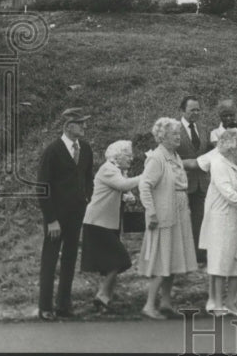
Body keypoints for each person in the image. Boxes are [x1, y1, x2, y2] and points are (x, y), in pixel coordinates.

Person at [36, 107, 94, 321]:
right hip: (56, 217)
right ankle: (45, 307)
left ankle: (64, 305)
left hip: (76, 214)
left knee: (70, 258)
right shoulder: (53, 150)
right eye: (81, 123)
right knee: (50, 259)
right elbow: (42, 187)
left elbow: (88, 178)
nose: (85, 126)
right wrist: (51, 219)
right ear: (69, 126)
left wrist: (86, 197)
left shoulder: (86, 149)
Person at [138, 117, 197, 320]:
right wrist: (151, 212)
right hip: (163, 214)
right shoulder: (157, 158)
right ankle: (148, 305)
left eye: (179, 134)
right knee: (162, 259)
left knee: (171, 258)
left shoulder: (174, 155)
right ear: (162, 137)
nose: (178, 137)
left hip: (178, 211)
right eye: (174, 134)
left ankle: (165, 303)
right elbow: (144, 186)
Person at [198, 128, 237, 316]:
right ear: (230, 147)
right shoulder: (218, 164)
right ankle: (215, 304)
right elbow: (228, 192)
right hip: (221, 219)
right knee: (220, 261)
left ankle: (231, 304)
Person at [80, 140, 141, 311]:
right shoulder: (108, 169)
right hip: (97, 223)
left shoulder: (118, 171)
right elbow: (122, 185)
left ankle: (106, 298)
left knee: (113, 263)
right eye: (128, 156)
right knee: (119, 260)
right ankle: (102, 296)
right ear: (117, 157)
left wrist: (125, 197)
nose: (131, 159)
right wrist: (146, 175)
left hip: (108, 223)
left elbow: (116, 191)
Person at [176, 96, 209, 265]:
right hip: (180, 183)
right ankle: (181, 255)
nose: (195, 113)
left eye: (198, 110)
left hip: (201, 183)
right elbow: (166, 156)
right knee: (181, 219)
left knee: (200, 219)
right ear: (182, 111)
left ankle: (198, 254)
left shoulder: (203, 129)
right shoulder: (174, 129)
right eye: (192, 110)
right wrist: (183, 164)